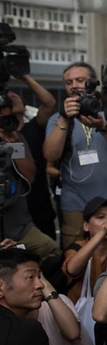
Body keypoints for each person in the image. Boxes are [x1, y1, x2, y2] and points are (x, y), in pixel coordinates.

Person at [43, 62, 107, 248]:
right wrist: (64, 118)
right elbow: (50, 154)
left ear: (93, 83)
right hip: (76, 205)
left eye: (80, 80)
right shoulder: (57, 119)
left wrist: (102, 126)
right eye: (69, 82)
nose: (74, 85)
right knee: (76, 257)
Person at [0, 248, 71, 345]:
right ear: (1, 286)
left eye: (39, 277)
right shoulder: (26, 331)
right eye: (30, 277)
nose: (40, 285)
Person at [0, 99, 60, 260]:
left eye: (6, 117)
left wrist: (13, 144)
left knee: (51, 250)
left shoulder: (15, 138)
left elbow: (30, 176)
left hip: (19, 227)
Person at [8, 74, 58, 240]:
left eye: (16, 96)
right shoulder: (3, 134)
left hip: (38, 201)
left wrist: (25, 77)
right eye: (8, 99)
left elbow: (49, 103)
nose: (12, 97)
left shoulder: (34, 127)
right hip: (12, 209)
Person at [62, 197, 107, 304]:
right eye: (101, 217)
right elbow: (72, 269)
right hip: (77, 315)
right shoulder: (77, 247)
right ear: (86, 226)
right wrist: (102, 234)